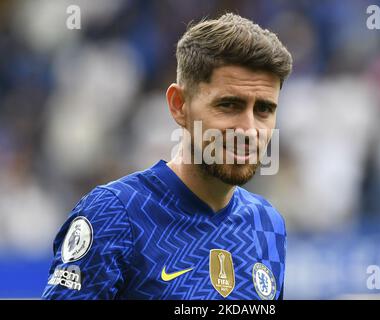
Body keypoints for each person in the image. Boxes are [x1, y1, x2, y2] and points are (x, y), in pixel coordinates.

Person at [42, 13, 292, 300]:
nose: (249, 130)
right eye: (229, 105)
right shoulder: (115, 215)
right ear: (179, 105)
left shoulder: (268, 225)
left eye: (264, 110)